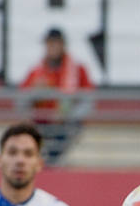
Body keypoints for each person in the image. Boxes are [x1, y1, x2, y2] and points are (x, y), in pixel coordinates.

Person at [19, 28, 94, 164]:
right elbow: (20, 103)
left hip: (66, 123)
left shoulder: (77, 70)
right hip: (41, 122)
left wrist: (68, 115)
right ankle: (48, 164)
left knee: (64, 134)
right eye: (49, 44)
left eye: (55, 43)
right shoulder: (37, 71)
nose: (52, 48)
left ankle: (50, 164)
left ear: (63, 45)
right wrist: (35, 93)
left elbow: (88, 101)